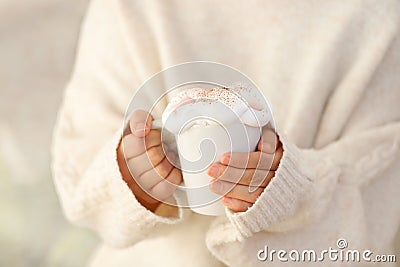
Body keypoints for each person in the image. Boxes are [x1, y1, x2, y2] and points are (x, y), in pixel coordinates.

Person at [52, 0, 400, 266]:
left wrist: (290, 197)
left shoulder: (377, 21)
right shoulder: (132, 9)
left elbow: (377, 208)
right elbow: (80, 157)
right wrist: (131, 178)